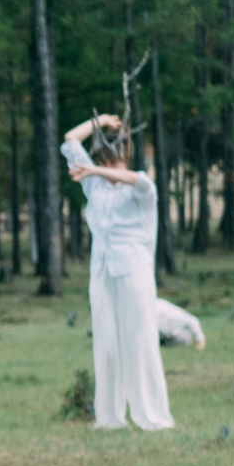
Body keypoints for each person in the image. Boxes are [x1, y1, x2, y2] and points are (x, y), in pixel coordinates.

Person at [62, 113, 172, 430]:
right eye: (104, 163)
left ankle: (153, 415)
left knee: (140, 342)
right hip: (102, 272)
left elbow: (139, 180)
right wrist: (101, 122)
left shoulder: (139, 188)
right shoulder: (95, 187)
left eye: (113, 163)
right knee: (107, 344)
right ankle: (109, 417)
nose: (109, 170)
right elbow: (69, 140)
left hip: (134, 271)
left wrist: (94, 170)